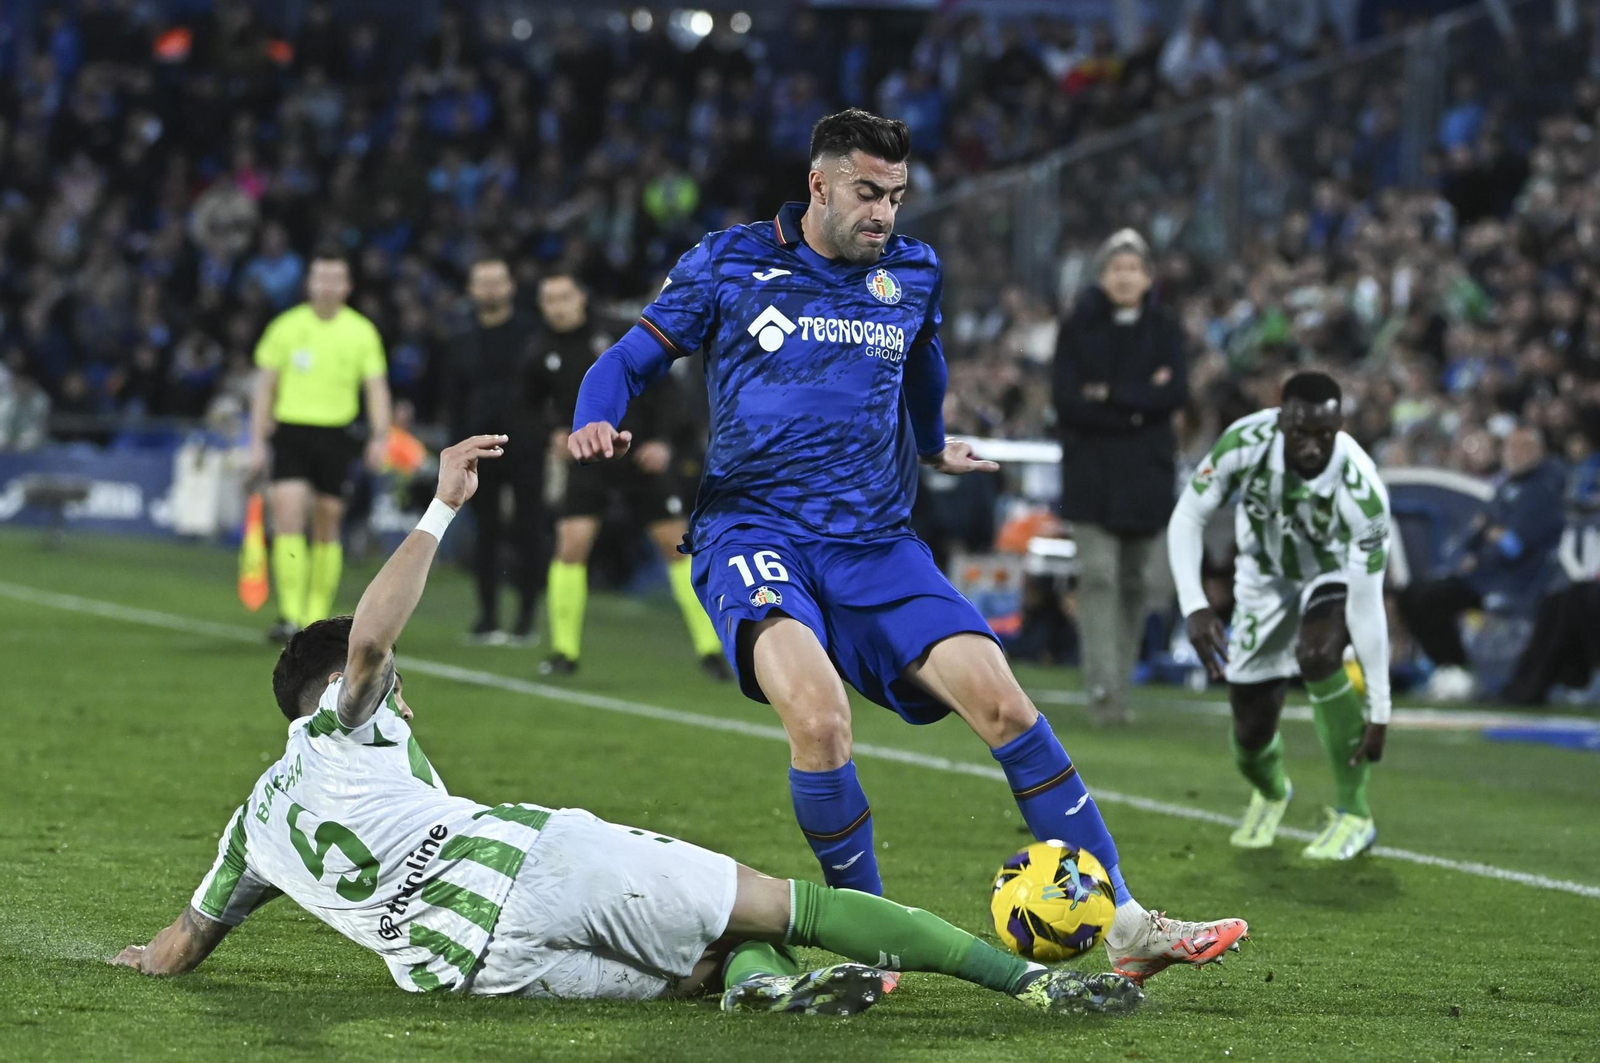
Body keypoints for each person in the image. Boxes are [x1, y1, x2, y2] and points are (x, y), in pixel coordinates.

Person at [109, 434, 1144, 1019]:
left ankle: (752, 995)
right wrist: (438, 509)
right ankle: (1032, 985)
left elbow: (177, 947)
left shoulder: (253, 822)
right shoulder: (348, 717)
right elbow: (373, 644)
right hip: (525, 859)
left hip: (464, 966)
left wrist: (107, 964)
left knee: (701, 967)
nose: (402, 699)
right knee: (796, 907)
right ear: (337, 690)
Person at [568, 108, 1246, 984]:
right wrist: (593, 421)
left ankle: (1123, 920)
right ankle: (876, 935)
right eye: (866, 193)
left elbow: (922, 369)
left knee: (1005, 704)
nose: (884, 214)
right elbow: (624, 360)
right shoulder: (729, 262)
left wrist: (931, 442)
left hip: (876, 542)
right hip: (754, 529)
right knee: (818, 721)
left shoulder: (912, 272)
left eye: (895, 195)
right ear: (819, 184)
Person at [1168, 373, 1392, 861]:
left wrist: (1380, 706)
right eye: (1301, 433)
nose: (1313, 447)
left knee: (1319, 656)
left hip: (1331, 575)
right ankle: (1271, 791)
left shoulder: (1363, 492)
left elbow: (1368, 601)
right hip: (1262, 582)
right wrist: (1195, 604)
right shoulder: (1244, 443)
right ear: (1280, 419)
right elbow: (1188, 517)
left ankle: (1354, 813)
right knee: (1250, 728)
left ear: (1340, 426)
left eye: (1325, 434)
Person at [538, 272, 728, 678]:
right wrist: (551, 433)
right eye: (549, 299)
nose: (558, 306)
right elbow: (528, 404)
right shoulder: (540, 350)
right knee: (571, 545)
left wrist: (662, 441)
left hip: (640, 455)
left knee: (676, 545)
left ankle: (712, 649)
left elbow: (666, 391)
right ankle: (563, 651)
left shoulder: (619, 335)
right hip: (589, 460)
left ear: (581, 297)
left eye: (564, 296)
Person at [1052, 228, 1188, 726]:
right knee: (1100, 577)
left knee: (1136, 583)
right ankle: (1102, 687)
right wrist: (1137, 403)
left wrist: (1107, 395)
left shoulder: (1165, 328)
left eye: (1134, 268)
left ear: (1148, 277)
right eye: (1117, 268)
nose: (1126, 277)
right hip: (1091, 476)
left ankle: (1118, 688)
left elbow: (1175, 395)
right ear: (1102, 275)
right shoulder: (1078, 327)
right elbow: (1067, 402)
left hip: (1146, 479)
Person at [249, 248, 391, 642]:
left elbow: (376, 388)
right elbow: (265, 388)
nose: (327, 286)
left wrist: (380, 436)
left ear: (347, 286)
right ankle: (290, 614)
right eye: (320, 278)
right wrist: (257, 441)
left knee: (328, 520)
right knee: (288, 515)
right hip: (292, 431)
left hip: (337, 434)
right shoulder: (285, 327)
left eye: (334, 279)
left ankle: (316, 617)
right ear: (309, 283)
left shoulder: (361, 331)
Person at [1398, 426, 1568, 701]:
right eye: (1511, 448)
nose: (1514, 455)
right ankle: (1452, 668)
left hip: (1515, 582)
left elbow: (1514, 546)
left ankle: (1458, 669)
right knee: (1412, 594)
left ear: (1539, 452)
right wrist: (1485, 540)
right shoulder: (1508, 486)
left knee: (1429, 599)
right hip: (1485, 576)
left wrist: (1485, 546)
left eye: (1522, 449)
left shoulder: (1543, 490)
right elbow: (1477, 531)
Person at [446, 256, 549, 646]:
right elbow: (454, 401)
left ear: (510, 287)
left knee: (530, 529)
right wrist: (455, 449)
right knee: (485, 531)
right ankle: (487, 617)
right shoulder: (460, 342)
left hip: (526, 442)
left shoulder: (532, 334)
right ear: (472, 290)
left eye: (496, 282)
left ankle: (525, 618)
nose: (489, 290)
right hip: (476, 447)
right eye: (482, 282)